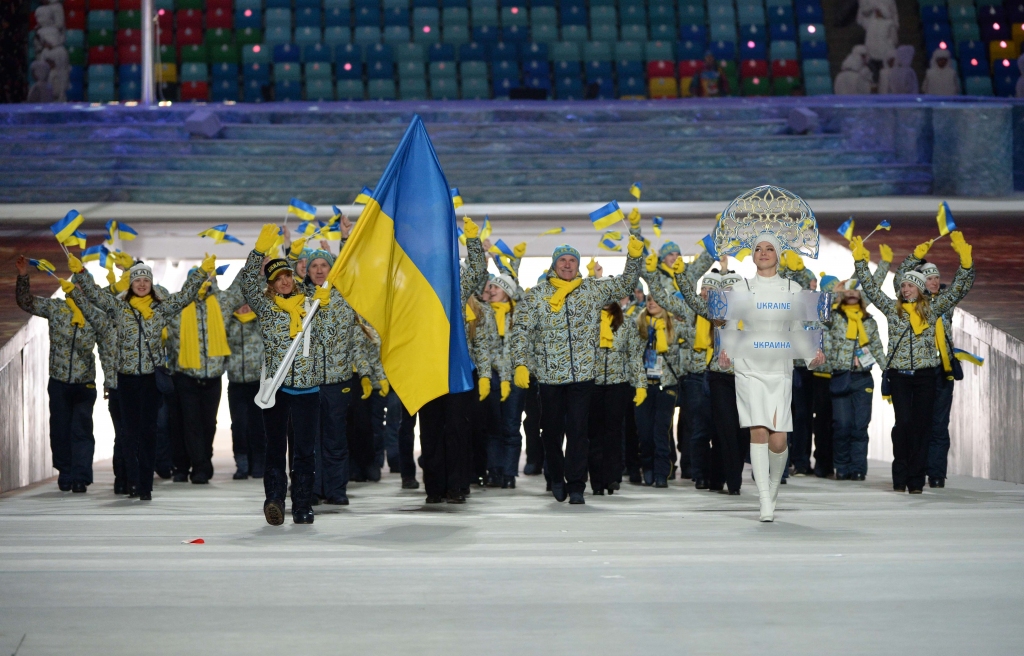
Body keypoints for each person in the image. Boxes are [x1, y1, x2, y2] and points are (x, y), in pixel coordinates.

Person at [510, 236, 644, 505]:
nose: (568, 265)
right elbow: (521, 331)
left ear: (578, 265)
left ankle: (576, 486)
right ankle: (556, 477)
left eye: (572, 261)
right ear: (554, 265)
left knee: (579, 432)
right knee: (550, 432)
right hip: (549, 377)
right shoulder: (537, 295)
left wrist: (634, 256)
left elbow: (626, 284)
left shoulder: (591, 290)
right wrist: (520, 364)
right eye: (563, 260)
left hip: (583, 375)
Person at [71, 255, 210, 500]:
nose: (142, 284)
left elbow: (185, 296)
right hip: (126, 379)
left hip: (150, 379)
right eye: (138, 279)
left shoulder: (160, 309)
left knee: (149, 432)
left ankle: (145, 485)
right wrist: (81, 272)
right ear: (131, 284)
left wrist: (200, 274)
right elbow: (94, 294)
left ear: (152, 284)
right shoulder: (119, 307)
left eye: (146, 279)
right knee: (129, 433)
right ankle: (132, 481)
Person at [851, 232, 974, 494]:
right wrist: (860, 262)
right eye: (903, 285)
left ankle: (916, 481)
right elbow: (871, 290)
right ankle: (901, 475)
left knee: (922, 426)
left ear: (919, 288)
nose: (905, 288)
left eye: (910, 285)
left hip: (926, 376)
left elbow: (959, 290)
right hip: (899, 376)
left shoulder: (933, 308)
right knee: (904, 425)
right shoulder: (893, 310)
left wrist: (966, 264)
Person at [717, 236, 826, 522]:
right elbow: (729, 324)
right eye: (757, 249)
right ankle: (764, 500)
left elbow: (796, 327)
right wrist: (725, 352)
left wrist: (810, 355)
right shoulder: (740, 288)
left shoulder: (793, 288)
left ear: (778, 255)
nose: (763, 253)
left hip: (779, 365)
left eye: (769, 249)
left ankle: (773, 487)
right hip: (749, 365)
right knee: (758, 431)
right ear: (751, 256)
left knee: (778, 440)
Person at [241, 224, 331, 525]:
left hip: (307, 391)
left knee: (305, 452)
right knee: (276, 449)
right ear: (271, 283)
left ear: (294, 278)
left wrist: (327, 305)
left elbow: (329, 336)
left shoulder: (312, 304)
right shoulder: (266, 309)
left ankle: (303, 504)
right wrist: (257, 253)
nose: (283, 281)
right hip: (276, 390)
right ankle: (275, 499)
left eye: (287, 276)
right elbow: (247, 285)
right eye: (277, 277)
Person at [418, 217, 488, 504]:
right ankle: (435, 487)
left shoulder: (458, 286)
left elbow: (478, 268)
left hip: (457, 369)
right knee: (431, 430)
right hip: (427, 368)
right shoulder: (416, 289)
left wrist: (472, 241)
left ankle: (457, 485)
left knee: (458, 430)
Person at [16, 257, 99, 493]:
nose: (80, 290)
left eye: (85, 286)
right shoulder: (57, 309)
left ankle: (81, 477)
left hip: (85, 383)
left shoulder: (96, 315)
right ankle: (65, 472)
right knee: (61, 429)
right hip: (59, 382)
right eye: (77, 285)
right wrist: (23, 276)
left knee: (82, 430)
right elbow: (26, 302)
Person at [303, 247, 379, 506]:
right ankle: (311, 489)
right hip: (307, 382)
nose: (319, 270)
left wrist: (366, 374)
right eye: (314, 266)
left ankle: (336, 489)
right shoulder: (298, 299)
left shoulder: (346, 299)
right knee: (309, 441)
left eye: (324, 265)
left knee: (335, 438)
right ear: (307, 270)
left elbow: (357, 341)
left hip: (338, 381)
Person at [892, 241, 969, 488]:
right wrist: (913, 256)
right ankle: (913, 471)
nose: (934, 282)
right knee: (909, 422)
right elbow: (899, 281)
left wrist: (966, 263)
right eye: (929, 278)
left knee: (937, 424)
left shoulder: (943, 302)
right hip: (917, 370)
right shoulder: (907, 304)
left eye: (936, 277)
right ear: (919, 284)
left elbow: (961, 287)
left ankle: (935, 473)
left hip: (941, 368)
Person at [163, 270, 243, 484]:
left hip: (213, 377)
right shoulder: (178, 305)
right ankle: (199, 468)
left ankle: (201, 462)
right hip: (185, 375)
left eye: (208, 280)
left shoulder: (222, 302)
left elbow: (241, 287)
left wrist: (258, 262)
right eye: (199, 280)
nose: (204, 284)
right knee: (191, 423)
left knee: (209, 424)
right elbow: (154, 297)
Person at [826, 279, 886, 480]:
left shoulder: (869, 321)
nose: (852, 294)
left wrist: (888, 372)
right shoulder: (834, 317)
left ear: (861, 295)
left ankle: (858, 468)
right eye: (848, 291)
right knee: (842, 425)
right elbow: (816, 318)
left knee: (860, 426)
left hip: (863, 378)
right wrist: (833, 295)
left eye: (856, 291)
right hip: (841, 377)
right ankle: (841, 467)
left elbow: (876, 347)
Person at [589, 299, 645, 495]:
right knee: (595, 434)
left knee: (614, 433)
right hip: (592, 384)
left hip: (618, 385)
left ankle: (612, 477)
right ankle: (596, 481)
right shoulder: (588, 320)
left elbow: (634, 355)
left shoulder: (627, 322)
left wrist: (640, 384)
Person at [483, 274, 522, 488]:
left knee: (510, 427)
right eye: (490, 288)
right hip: (492, 377)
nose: (490, 291)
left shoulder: (519, 315)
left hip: (515, 379)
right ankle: (494, 470)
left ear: (506, 292)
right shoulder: (485, 314)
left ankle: (509, 473)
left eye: (495, 288)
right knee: (493, 427)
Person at [225, 300, 266, 480]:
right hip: (236, 382)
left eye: (248, 304)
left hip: (258, 382)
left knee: (258, 425)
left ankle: (259, 463)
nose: (244, 307)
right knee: (239, 425)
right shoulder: (228, 323)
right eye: (240, 304)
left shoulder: (261, 322)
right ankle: (242, 464)